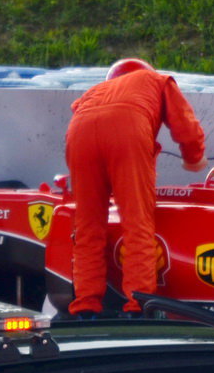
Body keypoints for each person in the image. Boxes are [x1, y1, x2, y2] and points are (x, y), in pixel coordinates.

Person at [64, 58, 206, 316]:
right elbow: (184, 123)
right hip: (127, 129)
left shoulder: (93, 93)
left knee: (87, 227)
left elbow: (84, 119)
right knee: (137, 223)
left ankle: (85, 305)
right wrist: (194, 158)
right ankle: (138, 304)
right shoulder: (156, 80)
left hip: (79, 132)